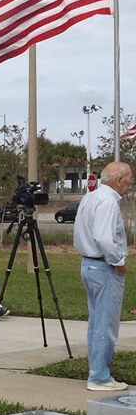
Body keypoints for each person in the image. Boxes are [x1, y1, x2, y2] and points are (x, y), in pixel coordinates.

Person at [75, 161, 133, 392]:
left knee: (96, 323)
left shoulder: (90, 197)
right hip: (104, 267)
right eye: (129, 180)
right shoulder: (108, 201)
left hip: (89, 264)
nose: (130, 184)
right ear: (118, 180)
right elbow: (104, 237)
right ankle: (99, 377)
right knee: (106, 324)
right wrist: (118, 262)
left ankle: (96, 370)